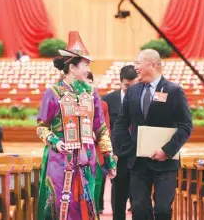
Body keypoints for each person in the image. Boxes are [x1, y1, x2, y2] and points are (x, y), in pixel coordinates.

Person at [36, 31, 116, 220]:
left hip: (87, 160)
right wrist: (55, 140)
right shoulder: (53, 93)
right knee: (60, 204)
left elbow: (102, 129)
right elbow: (41, 127)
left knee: (86, 205)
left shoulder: (92, 93)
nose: (88, 69)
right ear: (72, 68)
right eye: (85, 65)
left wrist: (109, 158)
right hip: (60, 158)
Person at [112, 49, 193, 220]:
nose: (136, 67)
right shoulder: (132, 92)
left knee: (163, 209)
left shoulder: (174, 91)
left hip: (165, 162)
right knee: (139, 209)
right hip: (138, 162)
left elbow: (186, 125)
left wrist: (167, 150)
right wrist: (126, 149)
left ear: (153, 65)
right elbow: (120, 123)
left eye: (139, 63)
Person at [103, 65, 137, 220]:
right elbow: (104, 128)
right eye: (126, 86)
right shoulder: (108, 100)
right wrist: (111, 152)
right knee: (118, 196)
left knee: (138, 197)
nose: (130, 90)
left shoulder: (143, 98)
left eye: (133, 86)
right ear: (120, 82)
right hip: (118, 155)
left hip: (138, 155)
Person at [86, 72, 111, 219]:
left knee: (94, 196)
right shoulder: (68, 103)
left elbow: (106, 130)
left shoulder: (102, 105)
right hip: (73, 158)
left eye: (89, 82)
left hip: (96, 157)